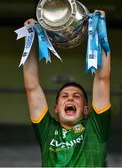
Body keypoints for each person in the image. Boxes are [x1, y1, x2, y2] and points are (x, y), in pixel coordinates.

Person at [23, 17, 111, 167]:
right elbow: (32, 88)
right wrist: (29, 37)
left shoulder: (95, 127)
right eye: (65, 96)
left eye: (76, 96)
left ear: (85, 109)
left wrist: (100, 26)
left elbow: (102, 78)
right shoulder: (48, 131)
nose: (70, 98)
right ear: (56, 108)